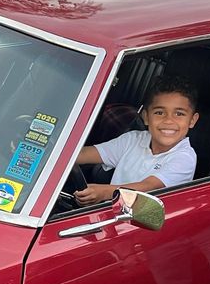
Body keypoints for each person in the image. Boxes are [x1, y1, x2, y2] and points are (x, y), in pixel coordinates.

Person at [74, 76, 199, 205]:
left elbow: (149, 187)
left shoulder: (184, 158)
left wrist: (104, 192)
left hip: (145, 221)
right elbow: (83, 154)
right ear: (146, 117)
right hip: (112, 212)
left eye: (179, 114)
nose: (168, 120)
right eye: (159, 113)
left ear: (192, 120)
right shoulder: (133, 139)